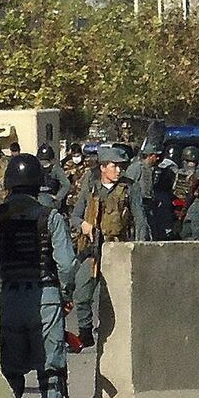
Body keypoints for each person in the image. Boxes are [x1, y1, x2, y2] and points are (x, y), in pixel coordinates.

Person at [0, 154, 78, 398]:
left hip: (9, 300)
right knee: (51, 374)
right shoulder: (49, 216)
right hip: (44, 299)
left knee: (10, 375)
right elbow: (68, 264)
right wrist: (65, 293)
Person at [69, 146, 133, 349]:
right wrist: (84, 226)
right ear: (103, 167)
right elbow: (75, 216)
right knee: (82, 294)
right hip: (93, 250)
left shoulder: (129, 189)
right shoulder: (91, 189)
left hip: (118, 249)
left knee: (115, 296)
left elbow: (140, 221)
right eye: (114, 166)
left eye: (120, 166)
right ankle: (86, 333)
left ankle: (117, 334)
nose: (118, 171)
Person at [125, 143, 161, 241]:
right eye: (155, 156)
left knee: (151, 226)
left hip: (148, 202)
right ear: (149, 156)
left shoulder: (152, 169)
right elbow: (128, 184)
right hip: (138, 202)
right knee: (141, 224)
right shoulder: (136, 167)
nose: (157, 158)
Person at [37, 144, 72, 212]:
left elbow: (66, 184)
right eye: (42, 161)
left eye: (46, 161)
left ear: (51, 160)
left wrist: (58, 197)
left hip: (51, 201)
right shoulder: (37, 169)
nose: (44, 164)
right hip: (38, 199)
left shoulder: (56, 170)